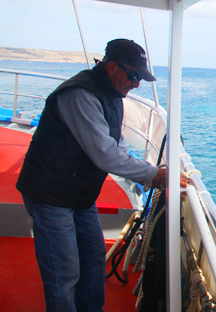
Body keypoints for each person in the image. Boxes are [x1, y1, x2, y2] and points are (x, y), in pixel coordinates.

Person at [16, 38, 187, 311]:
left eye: (140, 78)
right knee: (65, 271)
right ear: (111, 67)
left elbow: (116, 146)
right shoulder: (80, 95)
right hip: (49, 192)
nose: (136, 84)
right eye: (133, 75)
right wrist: (155, 175)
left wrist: (147, 174)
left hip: (77, 193)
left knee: (94, 257)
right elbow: (105, 155)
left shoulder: (113, 95)